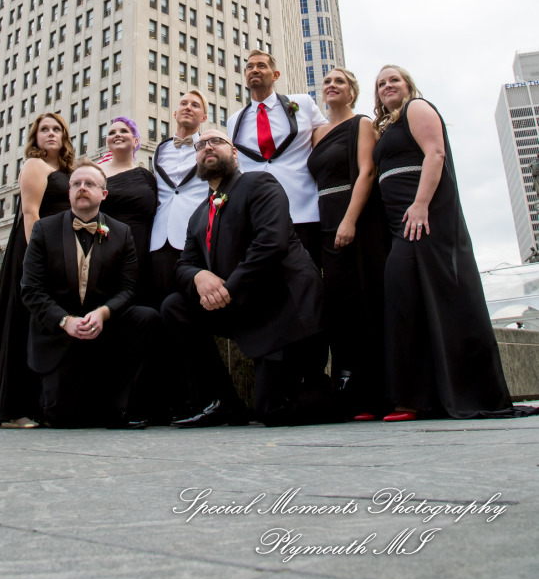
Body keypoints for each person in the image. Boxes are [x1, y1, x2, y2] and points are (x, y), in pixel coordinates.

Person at [162, 128, 332, 427]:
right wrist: (199, 276)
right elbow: (183, 264)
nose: (207, 147)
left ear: (235, 153)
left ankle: (339, 397)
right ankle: (223, 403)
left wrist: (228, 288)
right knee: (174, 306)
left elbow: (271, 243)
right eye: (201, 145)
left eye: (217, 141)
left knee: (272, 411)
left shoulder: (259, 183)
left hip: (285, 312)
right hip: (243, 310)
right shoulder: (198, 215)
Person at [373, 65, 513, 420]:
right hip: (398, 222)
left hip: (422, 219)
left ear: (408, 85)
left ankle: (422, 398)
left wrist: (421, 205)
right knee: (407, 298)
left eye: (394, 80)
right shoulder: (385, 126)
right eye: (381, 83)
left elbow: (435, 154)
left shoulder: (417, 107)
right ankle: (420, 397)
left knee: (420, 295)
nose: (387, 85)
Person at [0, 113, 75, 428]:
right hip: (36, 249)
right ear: (35, 138)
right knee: (24, 324)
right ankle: (14, 410)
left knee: (46, 325)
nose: (51, 133)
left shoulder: (67, 171)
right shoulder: (35, 166)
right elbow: (30, 213)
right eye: (44, 129)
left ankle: (45, 405)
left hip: (63, 249)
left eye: (57, 129)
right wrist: (39, 258)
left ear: (65, 136)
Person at [21, 157, 162, 428]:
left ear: (104, 194)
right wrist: (65, 321)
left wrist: (103, 313)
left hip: (104, 331)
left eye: (90, 184)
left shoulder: (121, 232)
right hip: (60, 335)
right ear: (69, 193)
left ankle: (122, 406)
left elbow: (129, 288)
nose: (82, 188)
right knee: (63, 419)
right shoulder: (44, 229)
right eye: (76, 184)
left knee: (147, 317)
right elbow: (31, 289)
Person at [308, 68, 389, 418]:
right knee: (339, 306)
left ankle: (374, 394)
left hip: (354, 218)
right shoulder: (316, 133)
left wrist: (350, 220)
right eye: (327, 81)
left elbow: (367, 171)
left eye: (339, 81)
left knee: (362, 301)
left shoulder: (363, 124)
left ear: (352, 92)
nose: (331, 85)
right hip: (324, 219)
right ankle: (349, 392)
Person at [227, 49, 326, 266]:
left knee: (308, 275)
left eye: (261, 66)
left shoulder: (302, 103)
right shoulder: (234, 120)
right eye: (250, 67)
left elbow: (326, 139)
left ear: (276, 75)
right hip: (258, 216)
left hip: (303, 209)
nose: (254, 70)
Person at [148, 90, 209, 307]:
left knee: (191, 306)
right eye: (184, 103)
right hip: (160, 239)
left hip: (194, 238)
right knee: (161, 303)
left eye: (195, 105)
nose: (188, 107)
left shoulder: (209, 147)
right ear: (175, 113)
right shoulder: (161, 149)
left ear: (204, 118)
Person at [98, 116, 157, 290]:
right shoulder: (95, 173)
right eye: (112, 133)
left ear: (135, 141)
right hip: (105, 248)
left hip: (141, 250)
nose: (117, 134)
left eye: (124, 131)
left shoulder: (146, 176)